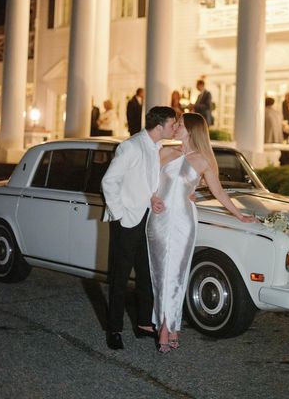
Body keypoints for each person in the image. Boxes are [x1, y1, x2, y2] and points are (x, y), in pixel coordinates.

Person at [147, 112, 257, 353]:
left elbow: (219, 192)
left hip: (184, 222)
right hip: (159, 220)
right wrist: (152, 197)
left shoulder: (202, 161)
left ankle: (168, 325)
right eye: (175, 124)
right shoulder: (164, 152)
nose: (175, 127)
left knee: (177, 274)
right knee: (160, 272)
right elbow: (147, 182)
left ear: (192, 130)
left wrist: (240, 215)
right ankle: (166, 322)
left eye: (180, 125)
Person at [101, 106, 177, 350]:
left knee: (146, 274)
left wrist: (153, 198)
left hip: (147, 220)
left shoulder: (155, 148)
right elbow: (109, 181)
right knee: (120, 278)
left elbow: (146, 183)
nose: (174, 128)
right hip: (126, 221)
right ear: (159, 127)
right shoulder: (131, 146)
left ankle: (144, 322)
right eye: (172, 124)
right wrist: (119, 214)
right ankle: (114, 330)